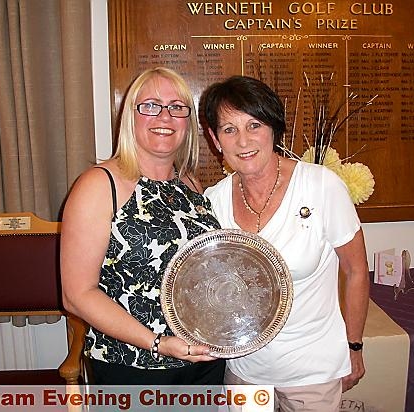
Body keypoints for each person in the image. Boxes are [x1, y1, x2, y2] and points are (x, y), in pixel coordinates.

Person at [201, 75, 370, 411]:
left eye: (254, 125)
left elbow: (356, 270)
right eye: (229, 129)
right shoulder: (214, 201)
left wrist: (354, 347)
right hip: (245, 371)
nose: (243, 140)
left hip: (312, 370)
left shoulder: (321, 186)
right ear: (214, 139)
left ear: (274, 129)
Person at [60, 67, 225, 385]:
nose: (165, 117)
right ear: (129, 116)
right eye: (150, 105)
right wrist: (158, 343)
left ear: (187, 123)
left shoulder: (190, 183)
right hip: (132, 366)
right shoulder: (99, 185)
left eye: (177, 107)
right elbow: (77, 295)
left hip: (203, 361)